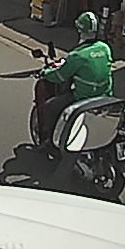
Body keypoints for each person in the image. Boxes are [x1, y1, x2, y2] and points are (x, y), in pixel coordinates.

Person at [35, 12, 115, 150]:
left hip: (83, 98)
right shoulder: (105, 48)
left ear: (79, 30)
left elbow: (60, 76)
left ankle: (52, 143)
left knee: (50, 107)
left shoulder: (77, 55)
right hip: (105, 96)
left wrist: (45, 73)